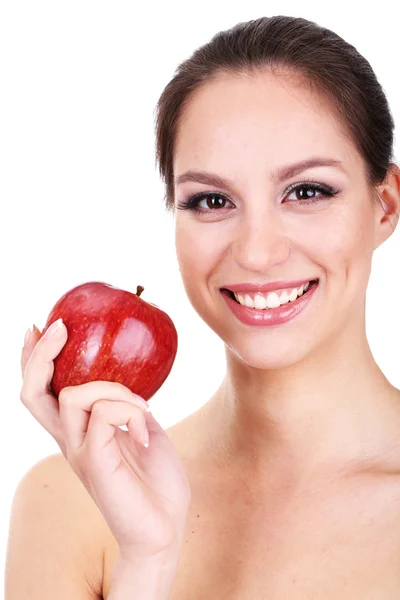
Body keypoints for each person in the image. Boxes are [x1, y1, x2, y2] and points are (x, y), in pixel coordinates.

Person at [5, 14, 400, 599]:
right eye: (212, 200)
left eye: (307, 191)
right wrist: (147, 560)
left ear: (385, 207)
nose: (258, 252)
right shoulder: (68, 506)